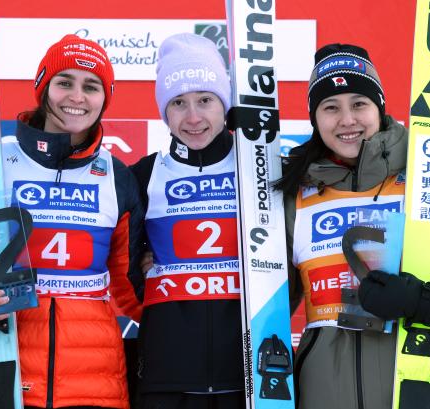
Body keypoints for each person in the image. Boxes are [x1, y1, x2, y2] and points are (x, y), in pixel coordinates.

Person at [276, 43, 430, 409]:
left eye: (359, 104)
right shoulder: (295, 194)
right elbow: (266, 303)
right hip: (322, 393)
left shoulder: (428, 178)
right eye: (331, 107)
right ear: (314, 117)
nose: (347, 120)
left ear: (379, 107)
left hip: (415, 387)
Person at [0, 34, 144, 409]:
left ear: (105, 99)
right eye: (64, 82)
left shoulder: (117, 177)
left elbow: (131, 287)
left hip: (94, 384)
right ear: (43, 88)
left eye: (91, 86)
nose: (77, 96)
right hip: (2, 372)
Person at [129, 33, 245, 409]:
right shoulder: (143, 175)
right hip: (166, 378)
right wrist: (140, 271)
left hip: (248, 373)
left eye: (205, 100)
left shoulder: (259, 169)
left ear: (224, 103)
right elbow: (113, 260)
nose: (193, 117)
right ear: (164, 110)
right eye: (178, 103)